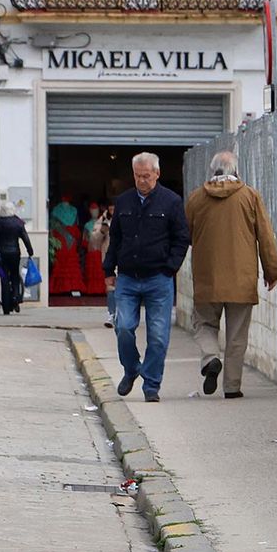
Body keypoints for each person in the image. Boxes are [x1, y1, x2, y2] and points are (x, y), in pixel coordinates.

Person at [184, 151, 277, 399]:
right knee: (237, 335)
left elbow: (185, 236)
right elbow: (266, 237)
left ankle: (210, 358)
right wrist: (272, 270)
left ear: (212, 171)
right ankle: (232, 387)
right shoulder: (250, 196)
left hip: (207, 278)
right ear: (236, 170)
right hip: (242, 279)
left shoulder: (196, 199)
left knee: (204, 324)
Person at [103, 152, 189, 403]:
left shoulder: (171, 202)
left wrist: (170, 267)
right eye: (138, 176)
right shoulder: (124, 201)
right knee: (123, 327)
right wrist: (109, 270)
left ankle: (151, 384)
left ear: (157, 174)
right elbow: (116, 238)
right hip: (128, 278)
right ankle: (131, 369)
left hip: (158, 278)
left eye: (147, 176)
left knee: (159, 335)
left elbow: (182, 238)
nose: (142, 181)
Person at [0, 201, 34, 315]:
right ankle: (15, 298)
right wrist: (30, 250)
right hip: (14, 253)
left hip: (1, 255)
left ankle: (6, 307)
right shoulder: (18, 222)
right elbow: (25, 238)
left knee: (3, 277)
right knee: (14, 276)